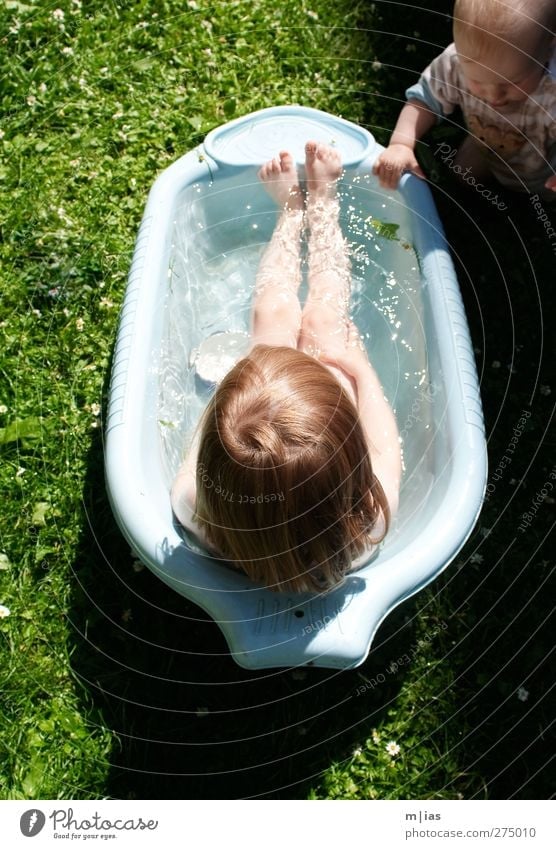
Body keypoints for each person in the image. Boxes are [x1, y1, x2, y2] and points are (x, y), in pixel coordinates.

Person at [171, 142, 401, 593]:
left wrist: (235, 394)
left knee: (273, 313)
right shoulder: (368, 524)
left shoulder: (195, 510)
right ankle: (323, 205)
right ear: (354, 470)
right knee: (323, 322)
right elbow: (386, 446)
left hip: (273, 407)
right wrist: (363, 374)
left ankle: (292, 210)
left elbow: (201, 447)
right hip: (318, 408)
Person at [373, 0, 556, 200]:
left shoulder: (551, 92)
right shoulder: (457, 63)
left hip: (543, 173)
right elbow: (425, 100)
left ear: (549, 48)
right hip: (485, 146)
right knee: (462, 173)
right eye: (477, 81)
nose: (494, 96)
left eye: (511, 83)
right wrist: (402, 144)